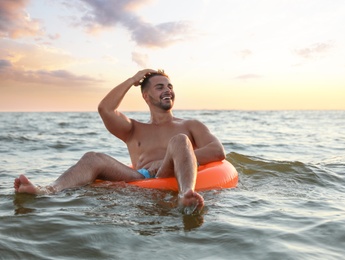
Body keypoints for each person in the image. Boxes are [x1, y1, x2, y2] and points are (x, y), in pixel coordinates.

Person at [14, 69, 226, 214]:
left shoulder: (189, 125)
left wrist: (166, 162)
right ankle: (47, 191)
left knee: (180, 141)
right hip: (140, 178)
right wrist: (132, 79)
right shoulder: (134, 129)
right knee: (92, 158)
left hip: (173, 171)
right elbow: (105, 109)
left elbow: (218, 151)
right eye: (160, 87)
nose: (168, 90)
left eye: (169, 86)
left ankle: (185, 195)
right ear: (145, 96)